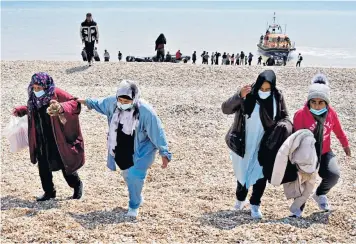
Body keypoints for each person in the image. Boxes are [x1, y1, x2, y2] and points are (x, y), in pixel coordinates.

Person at [77, 80, 172, 218]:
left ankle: (134, 205)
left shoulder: (145, 111)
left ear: (134, 98)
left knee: (134, 175)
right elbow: (100, 104)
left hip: (142, 149)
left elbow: (157, 131)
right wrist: (86, 102)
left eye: (126, 101)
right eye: (120, 99)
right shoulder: (113, 103)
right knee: (127, 174)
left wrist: (164, 152)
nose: (122, 103)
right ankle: (137, 194)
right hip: (121, 145)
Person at [222, 70, 288, 219]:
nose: (264, 92)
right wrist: (239, 96)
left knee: (260, 175)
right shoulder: (248, 93)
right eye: (261, 89)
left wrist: (283, 126)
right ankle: (240, 200)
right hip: (244, 141)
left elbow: (285, 116)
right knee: (242, 173)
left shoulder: (277, 96)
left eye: (267, 89)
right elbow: (225, 109)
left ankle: (255, 205)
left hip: (265, 143)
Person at [13, 72, 84, 201]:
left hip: (57, 137)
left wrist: (61, 107)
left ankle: (77, 185)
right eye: (34, 87)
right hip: (40, 136)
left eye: (39, 88)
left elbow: (75, 103)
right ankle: (49, 192)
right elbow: (32, 108)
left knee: (64, 162)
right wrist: (22, 110)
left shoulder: (56, 93)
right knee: (43, 165)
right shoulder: (33, 97)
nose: (36, 90)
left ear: (46, 86)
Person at [293, 74, 350, 213]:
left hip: (324, 151)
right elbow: (295, 137)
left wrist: (345, 145)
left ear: (326, 102)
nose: (317, 106)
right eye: (313, 102)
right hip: (307, 154)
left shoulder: (331, 113)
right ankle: (298, 206)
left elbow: (338, 130)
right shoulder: (301, 114)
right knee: (304, 181)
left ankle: (319, 194)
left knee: (333, 175)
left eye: (321, 102)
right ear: (309, 101)